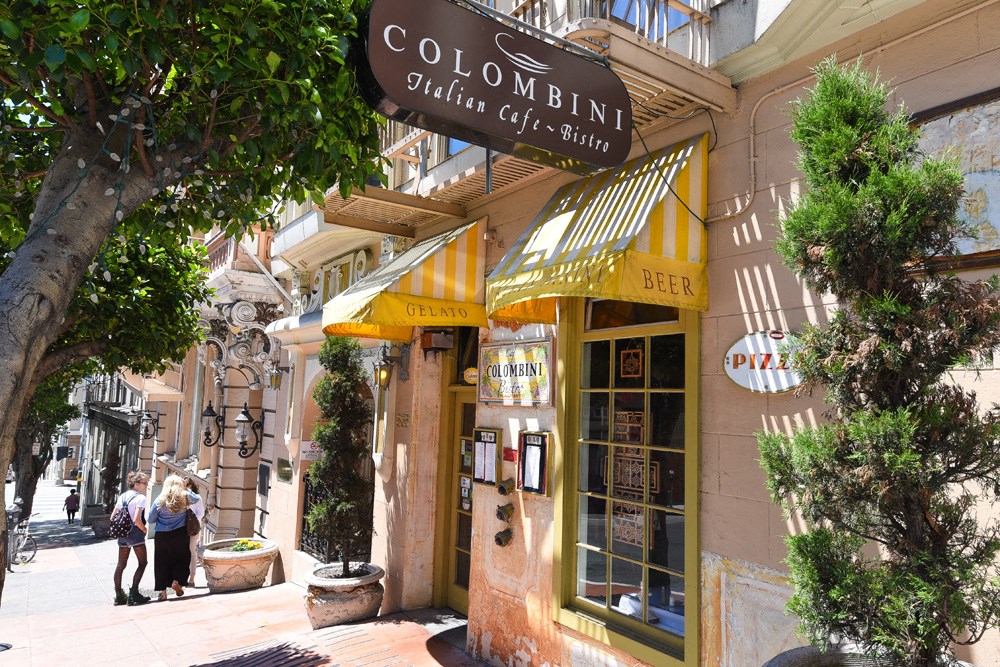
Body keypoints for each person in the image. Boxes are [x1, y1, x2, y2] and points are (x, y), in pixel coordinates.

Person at [148, 474, 200, 601]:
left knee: (161, 563)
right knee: (181, 559)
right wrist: (185, 487)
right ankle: (177, 581)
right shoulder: (184, 497)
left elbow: (150, 519)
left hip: (162, 536)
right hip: (180, 534)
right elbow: (196, 498)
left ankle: (163, 593)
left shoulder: (159, 500)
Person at [112, 471, 151, 606]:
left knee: (121, 564)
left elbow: (113, 517)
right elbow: (137, 519)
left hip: (122, 533)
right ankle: (134, 593)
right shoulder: (140, 498)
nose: (146, 485)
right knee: (143, 562)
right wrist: (144, 529)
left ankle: (118, 595)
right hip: (135, 533)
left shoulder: (122, 496)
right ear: (136, 484)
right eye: (144, 483)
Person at [183, 477, 205, 587]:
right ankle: (185, 577)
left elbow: (201, 513)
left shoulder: (196, 498)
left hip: (192, 529)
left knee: (192, 553)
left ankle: (191, 578)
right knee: (188, 553)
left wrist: (191, 520)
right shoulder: (181, 496)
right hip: (186, 529)